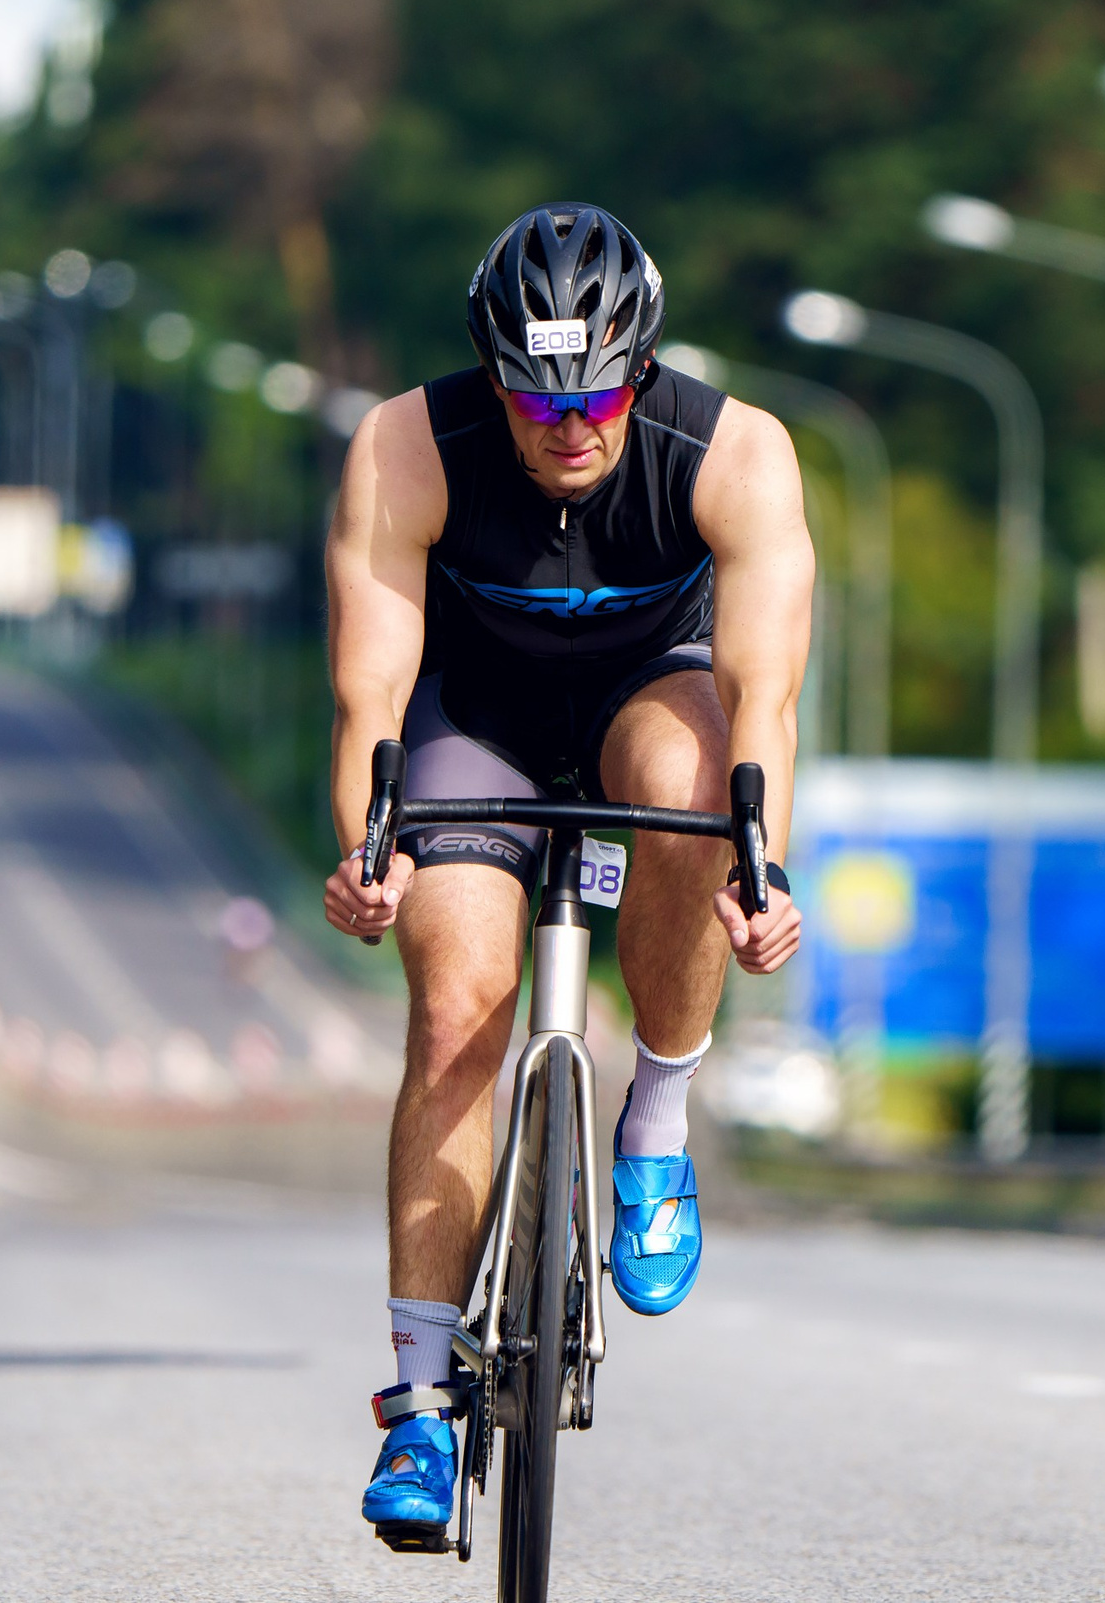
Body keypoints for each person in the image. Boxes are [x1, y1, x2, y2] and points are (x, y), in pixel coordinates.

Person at [322, 202, 812, 1538]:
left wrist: (760, 867)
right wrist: (366, 850)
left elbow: (761, 692)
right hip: (469, 728)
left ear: (640, 367)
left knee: (692, 787)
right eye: (536, 399)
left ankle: (656, 1115)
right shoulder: (407, 447)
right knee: (453, 1009)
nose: (569, 425)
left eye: (597, 391)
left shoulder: (732, 453)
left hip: (645, 705)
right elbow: (370, 686)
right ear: (494, 376)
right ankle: (419, 1407)